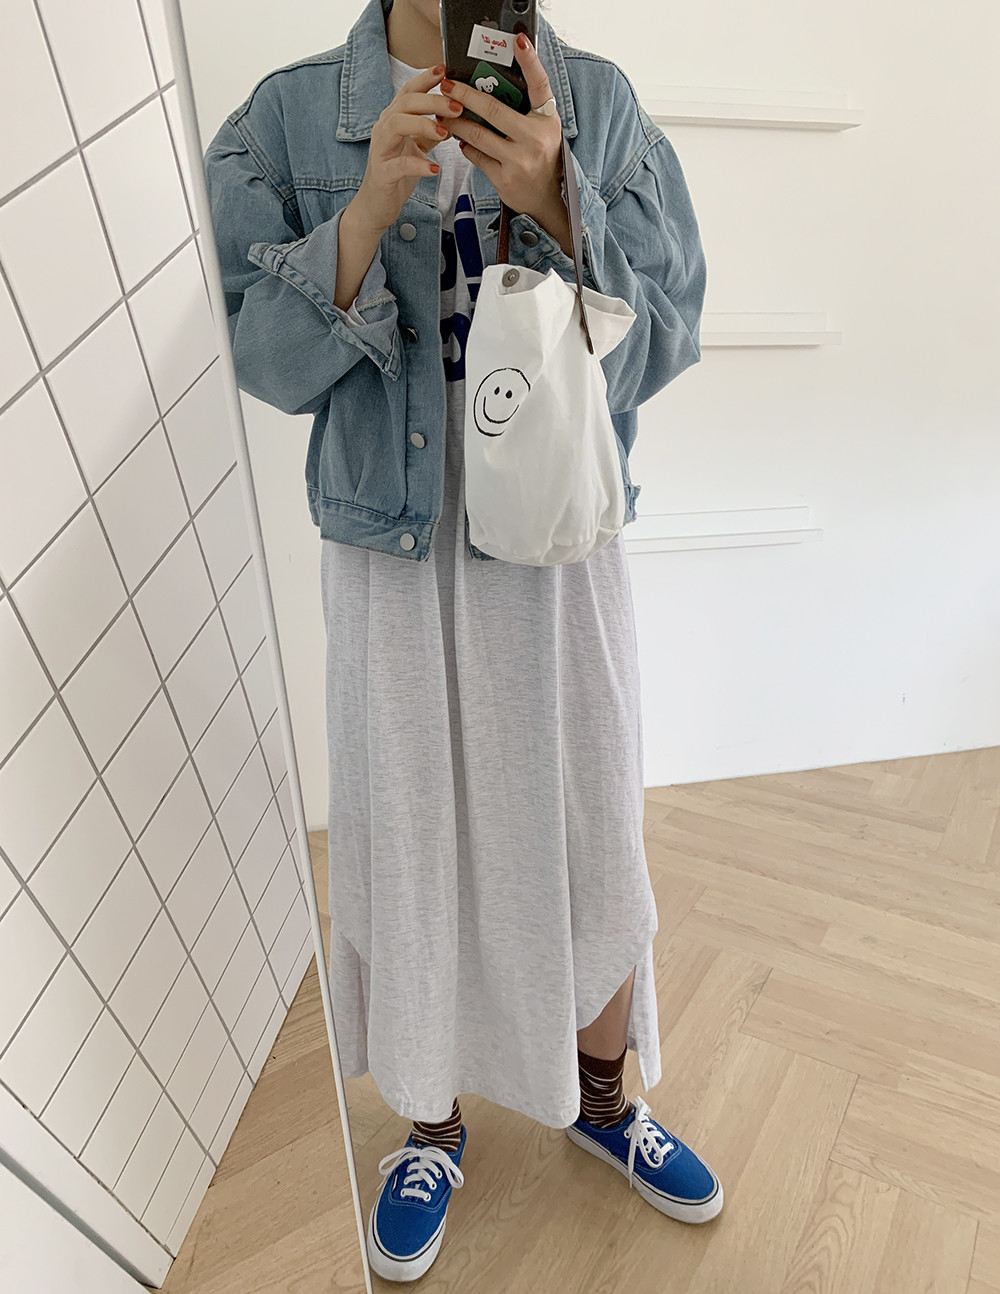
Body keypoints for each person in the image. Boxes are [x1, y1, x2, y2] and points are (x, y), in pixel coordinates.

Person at [205, 0, 721, 1280]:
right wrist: (365, 212)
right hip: (388, 543)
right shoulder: (285, 118)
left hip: (555, 536)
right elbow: (256, 355)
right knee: (408, 831)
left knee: (590, 819)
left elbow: (666, 333)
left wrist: (558, 201)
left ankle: (603, 1103)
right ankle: (429, 1127)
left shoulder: (594, 100)